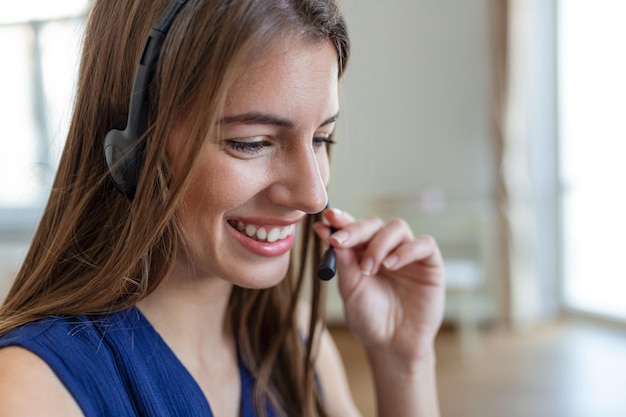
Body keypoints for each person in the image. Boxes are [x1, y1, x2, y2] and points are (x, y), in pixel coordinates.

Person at [0, 0, 445, 416]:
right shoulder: (31, 389)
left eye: (321, 139)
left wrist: (403, 363)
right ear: (131, 151)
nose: (314, 196)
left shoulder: (296, 345)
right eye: (251, 143)